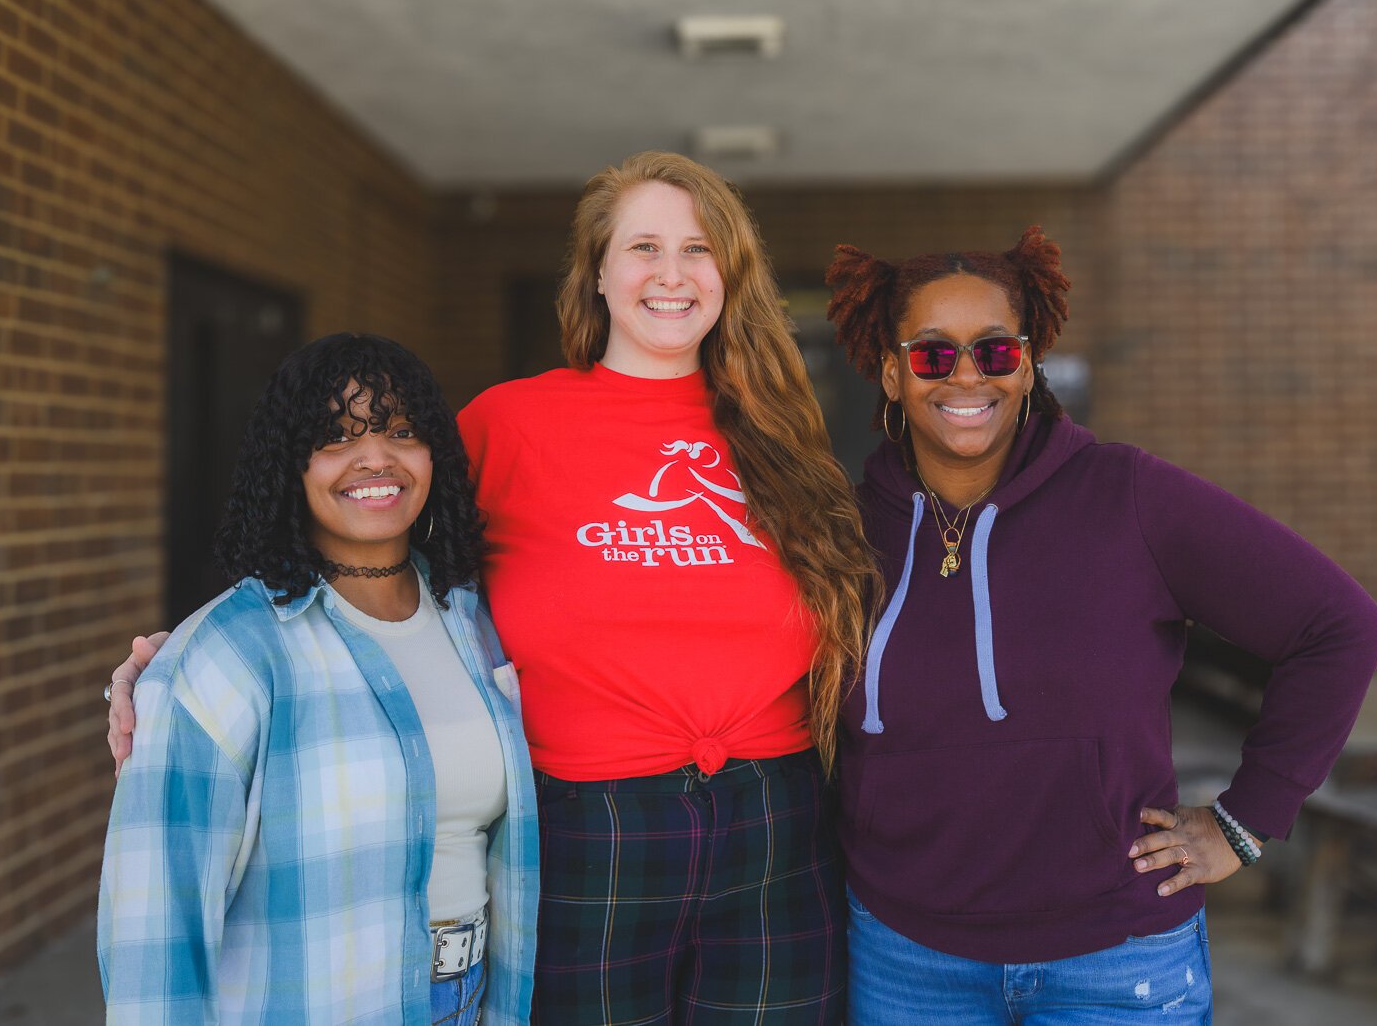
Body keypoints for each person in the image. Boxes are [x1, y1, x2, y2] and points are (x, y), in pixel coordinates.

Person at [106, 152, 875, 1024]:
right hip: (589, 826)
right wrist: (194, 658)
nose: (671, 273)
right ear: (596, 272)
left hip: (776, 824)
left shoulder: (782, 437)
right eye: (643, 246)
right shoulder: (508, 423)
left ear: (730, 273)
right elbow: (368, 550)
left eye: (698, 249)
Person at [823, 230, 1377, 1024]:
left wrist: (1246, 822)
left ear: (1027, 363)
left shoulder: (1129, 496)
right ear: (891, 371)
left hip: (1116, 958)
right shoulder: (844, 532)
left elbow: (1338, 624)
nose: (965, 376)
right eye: (931, 354)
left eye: (994, 350)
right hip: (908, 955)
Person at [98, 334, 538, 1026]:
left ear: (434, 457)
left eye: (401, 430)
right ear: (291, 464)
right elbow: (155, 923)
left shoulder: (472, 621)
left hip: (476, 1000)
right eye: (338, 436)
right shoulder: (228, 655)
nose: (376, 458)